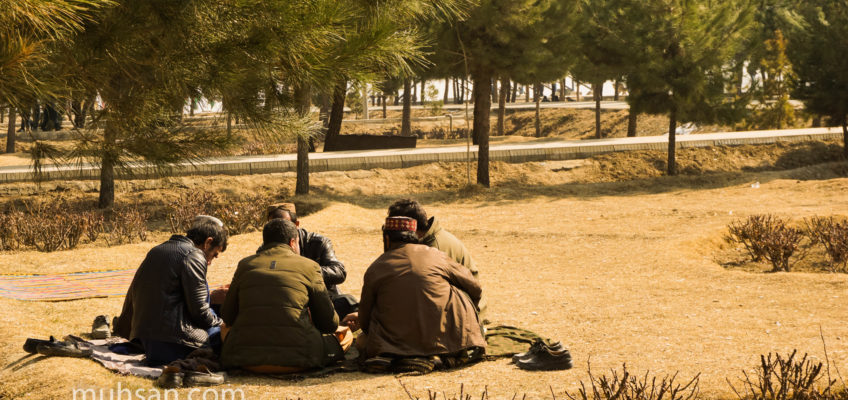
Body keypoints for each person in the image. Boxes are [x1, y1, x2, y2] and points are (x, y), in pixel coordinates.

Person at [343, 217, 485, 369]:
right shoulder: (437, 255)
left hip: (394, 343)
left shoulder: (377, 267)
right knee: (457, 291)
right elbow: (475, 288)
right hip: (446, 340)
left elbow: (365, 320)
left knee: (361, 341)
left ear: (387, 239)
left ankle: (397, 357)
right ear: (416, 236)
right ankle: (441, 356)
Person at [220, 218, 350, 373]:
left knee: (223, 328)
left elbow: (227, 316)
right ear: (292, 242)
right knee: (346, 334)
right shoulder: (310, 267)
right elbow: (329, 324)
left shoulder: (245, 265)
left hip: (245, 360)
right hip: (300, 359)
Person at [114, 216, 228, 366]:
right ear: (208, 242)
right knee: (230, 336)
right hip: (175, 343)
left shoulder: (158, 249)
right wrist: (223, 324)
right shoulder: (193, 255)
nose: (210, 262)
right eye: (214, 255)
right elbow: (200, 313)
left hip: (147, 341)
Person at [266, 204, 357, 319]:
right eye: (274, 227)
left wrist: (308, 272)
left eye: (285, 225)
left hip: (322, 300)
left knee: (349, 302)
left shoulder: (319, 242)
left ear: (296, 225)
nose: (280, 231)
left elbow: (339, 272)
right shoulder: (266, 249)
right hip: (289, 304)